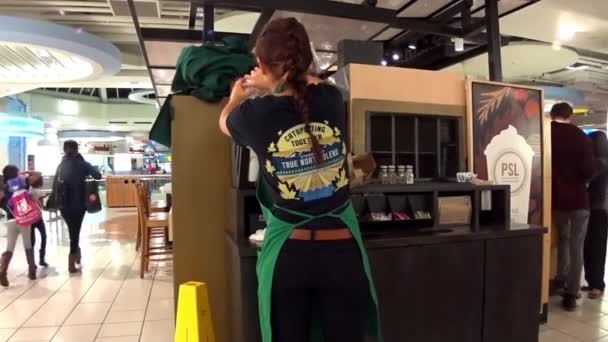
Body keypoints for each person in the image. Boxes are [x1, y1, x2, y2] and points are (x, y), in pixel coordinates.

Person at [219, 18, 381, 342]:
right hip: (342, 253)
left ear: (261, 65)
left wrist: (239, 95)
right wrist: (274, 81)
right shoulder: (332, 99)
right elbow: (308, 84)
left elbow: (224, 123)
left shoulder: (254, 115)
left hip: (289, 257)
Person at [551, 102, 595, 311]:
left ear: (552, 115)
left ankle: (559, 278)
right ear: (570, 115)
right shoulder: (581, 137)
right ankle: (571, 293)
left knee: (563, 239)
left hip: (557, 199)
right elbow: (588, 171)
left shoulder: (545, 134)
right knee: (576, 245)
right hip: (579, 200)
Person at [57, 140, 101, 273]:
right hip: (79, 204)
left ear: (64, 150)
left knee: (73, 231)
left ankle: (77, 257)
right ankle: (72, 261)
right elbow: (97, 175)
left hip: (63, 204)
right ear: (77, 150)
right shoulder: (82, 164)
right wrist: (83, 162)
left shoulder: (60, 165)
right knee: (74, 233)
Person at [0, 166, 39, 286]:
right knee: (28, 245)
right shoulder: (22, 183)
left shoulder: (4, 186)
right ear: (16, 173)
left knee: (9, 247)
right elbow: (38, 175)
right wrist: (26, 172)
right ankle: (32, 272)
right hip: (25, 219)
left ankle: (3, 271)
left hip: (11, 220)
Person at [584, 131, 608, 299]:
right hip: (596, 207)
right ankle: (593, 282)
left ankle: (597, 284)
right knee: (591, 245)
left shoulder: (601, 162)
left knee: (596, 246)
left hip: (600, 208)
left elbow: (586, 177)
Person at [29, 174, 48, 267]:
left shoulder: (28, 191)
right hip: (38, 218)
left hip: (30, 218)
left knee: (32, 240)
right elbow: (42, 206)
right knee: (44, 236)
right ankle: (41, 258)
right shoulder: (40, 192)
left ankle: (32, 262)